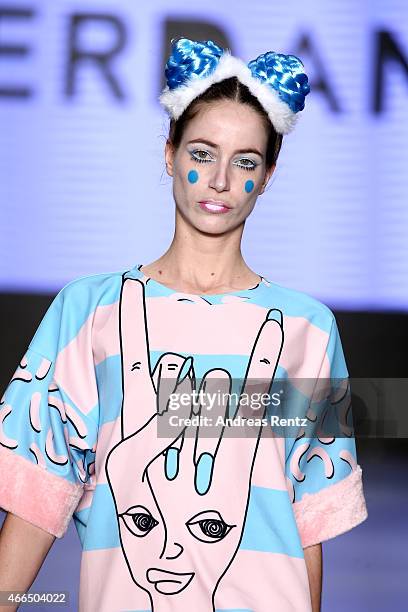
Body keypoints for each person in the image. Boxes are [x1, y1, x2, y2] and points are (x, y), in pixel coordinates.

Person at [0, 38, 367, 612]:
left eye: (245, 161)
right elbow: (34, 502)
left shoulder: (309, 331)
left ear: (268, 175)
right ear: (169, 153)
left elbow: (306, 527)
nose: (220, 179)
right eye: (202, 153)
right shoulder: (90, 313)